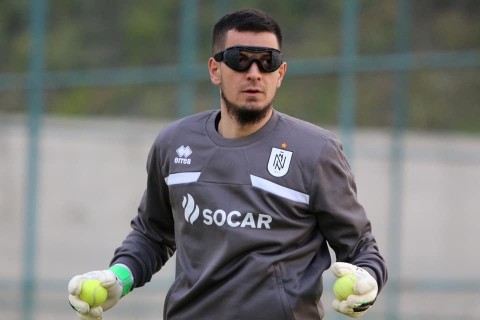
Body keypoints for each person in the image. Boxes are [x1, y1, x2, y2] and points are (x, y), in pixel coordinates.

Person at [68, 8, 387, 320]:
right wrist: (120, 278)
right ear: (214, 69)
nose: (254, 72)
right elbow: (152, 234)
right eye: (239, 59)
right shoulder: (174, 143)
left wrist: (367, 282)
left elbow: (360, 247)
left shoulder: (316, 152)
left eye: (267, 62)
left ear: (281, 74)